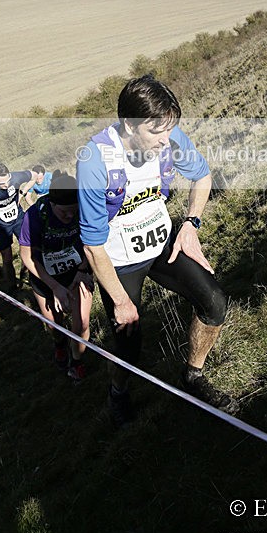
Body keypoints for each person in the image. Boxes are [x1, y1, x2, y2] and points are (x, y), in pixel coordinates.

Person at [76, 73, 237, 426]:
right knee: (128, 344)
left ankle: (193, 376)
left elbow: (203, 176)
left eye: (169, 129)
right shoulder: (94, 161)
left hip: (163, 243)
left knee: (214, 302)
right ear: (129, 125)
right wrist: (121, 301)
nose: (166, 140)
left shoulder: (169, 136)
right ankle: (118, 393)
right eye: (155, 132)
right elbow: (92, 244)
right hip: (118, 261)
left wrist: (191, 225)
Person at [19, 170, 94, 382]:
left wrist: (82, 270)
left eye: (74, 211)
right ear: (52, 203)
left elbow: (94, 242)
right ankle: (60, 343)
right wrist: (55, 287)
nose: (70, 217)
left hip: (77, 271)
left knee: (82, 324)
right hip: (44, 275)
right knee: (55, 325)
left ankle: (76, 362)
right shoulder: (35, 215)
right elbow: (26, 256)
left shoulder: (86, 207)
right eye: (64, 213)